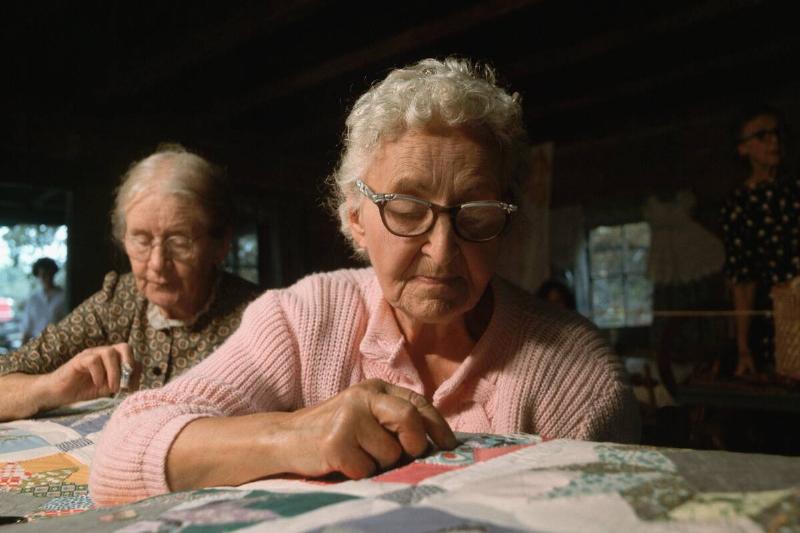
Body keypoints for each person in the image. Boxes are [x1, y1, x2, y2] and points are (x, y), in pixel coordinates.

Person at [90, 58, 640, 507]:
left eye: (474, 212)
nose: (443, 251)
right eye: (406, 208)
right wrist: (293, 435)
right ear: (356, 218)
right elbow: (119, 454)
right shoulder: (305, 317)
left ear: (507, 223)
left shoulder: (576, 375)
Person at [0, 145, 259, 421]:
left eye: (180, 240)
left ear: (220, 245)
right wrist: (51, 387)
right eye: (142, 240)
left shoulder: (260, 320)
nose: (157, 263)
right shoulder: (119, 300)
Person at [720, 105, 800, 377]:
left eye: (776, 134)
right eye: (762, 135)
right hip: (777, 325)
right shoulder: (739, 205)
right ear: (742, 149)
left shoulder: (795, 190)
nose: (773, 141)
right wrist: (743, 348)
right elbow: (743, 282)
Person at [20, 257, 67, 343]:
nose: (47, 278)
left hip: (59, 343)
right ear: (38, 275)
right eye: (44, 275)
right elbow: (27, 329)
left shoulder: (63, 296)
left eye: (50, 274)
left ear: (54, 273)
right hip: (37, 345)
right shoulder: (33, 300)